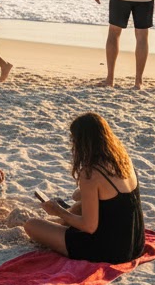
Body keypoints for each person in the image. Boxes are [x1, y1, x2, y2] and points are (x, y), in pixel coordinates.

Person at [23, 113, 145, 264]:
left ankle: (58, 223)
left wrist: (58, 211)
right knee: (79, 205)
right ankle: (60, 224)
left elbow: (89, 227)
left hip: (110, 252)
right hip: (135, 244)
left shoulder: (91, 173)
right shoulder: (123, 160)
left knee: (32, 225)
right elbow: (107, 197)